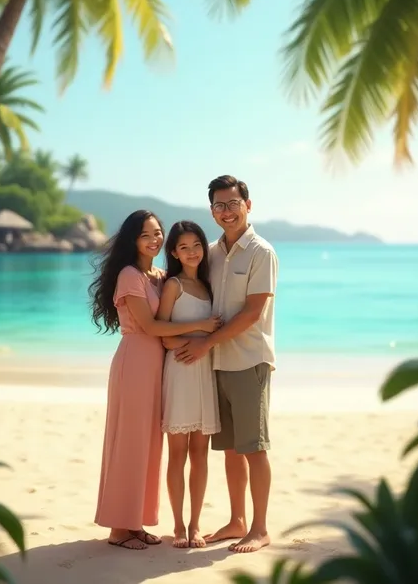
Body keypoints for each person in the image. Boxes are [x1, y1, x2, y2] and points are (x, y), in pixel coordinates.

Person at [89, 210, 221, 551]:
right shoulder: (130, 276)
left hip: (159, 366)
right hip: (135, 361)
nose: (154, 240)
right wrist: (204, 328)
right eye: (146, 235)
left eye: (158, 233)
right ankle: (119, 529)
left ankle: (135, 522)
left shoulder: (159, 276)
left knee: (150, 445)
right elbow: (150, 327)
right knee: (130, 443)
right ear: (134, 240)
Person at [165, 176, 278, 553]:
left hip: (249, 360)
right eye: (219, 206)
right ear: (211, 211)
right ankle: (236, 520)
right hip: (214, 365)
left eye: (233, 204)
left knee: (254, 447)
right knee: (230, 448)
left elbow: (251, 313)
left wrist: (205, 343)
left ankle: (259, 528)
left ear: (248, 205)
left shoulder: (261, 252)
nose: (227, 212)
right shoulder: (210, 252)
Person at [158, 221, 221, 549]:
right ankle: (179, 525)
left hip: (204, 372)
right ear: (173, 252)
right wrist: (198, 329)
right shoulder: (173, 285)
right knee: (177, 454)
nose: (192, 251)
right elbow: (163, 336)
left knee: (200, 454)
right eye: (184, 247)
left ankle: (196, 526)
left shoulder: (211, 286)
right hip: (181, 372)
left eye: (197, 244)